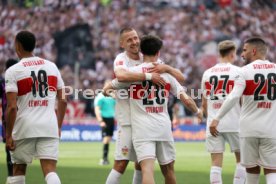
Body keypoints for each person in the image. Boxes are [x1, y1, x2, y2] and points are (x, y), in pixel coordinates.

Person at [111, 35, 203, 184]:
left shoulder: (134, 74)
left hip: (142, 129)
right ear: (158, 52)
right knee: (169, 171)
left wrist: (107, 90)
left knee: (147, 170)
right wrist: (198, 112)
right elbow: (185, 98)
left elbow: (111, 85)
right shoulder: (166, 74)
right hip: (163, 127)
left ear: (141, 51)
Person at [210, 37, 276, 184]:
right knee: (272, 170)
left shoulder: (244, 71)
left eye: (245, 50)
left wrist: (217, 118)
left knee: (251, 170)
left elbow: (233, 96)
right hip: (271, 129)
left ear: (254, 51)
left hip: (249, 129)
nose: (242, 54)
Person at [5, 30, 67, 184]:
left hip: (25, 126)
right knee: (50, 170)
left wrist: (8, 135)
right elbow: (63, 99)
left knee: (18, 169)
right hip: (49, 125)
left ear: (18, 46)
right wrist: (58, 126)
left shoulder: (13, 71)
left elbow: (12, 107)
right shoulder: (52, 66)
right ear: (34, 46)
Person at [201, 40, 246, 184]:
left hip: (213, 123)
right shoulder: (238, 72)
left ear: (219, 53)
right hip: (235, 121)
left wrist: (210, 118)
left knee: (215, 162)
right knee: (241, 161)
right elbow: (241, 100)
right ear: (232, 54)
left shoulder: (207, 73)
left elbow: (204, 101)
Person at [0, 58, 18, 184]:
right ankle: (17, 176)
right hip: (21, 117)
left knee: (9, 147)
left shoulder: (2, 81)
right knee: (19, 148)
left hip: (7, 118)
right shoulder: (21, 79)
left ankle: (11, 176)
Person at [94, 81, 116, 165]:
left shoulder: (113, 97)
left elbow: (115, 106)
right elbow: (97, 109)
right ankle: (104, 158)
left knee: (109, 138)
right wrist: (100, 121)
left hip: (111, 118)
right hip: (104, 119)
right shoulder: (100, 96)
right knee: (106, 138)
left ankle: (105, 158)